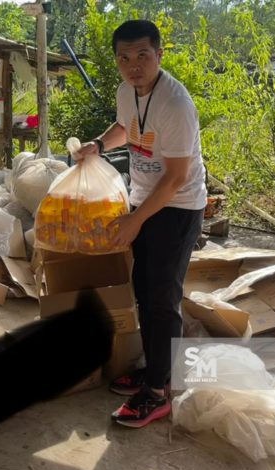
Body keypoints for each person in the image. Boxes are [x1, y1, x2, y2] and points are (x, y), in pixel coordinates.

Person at [74, 19, 207, 428]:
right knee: (144, 293)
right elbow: (123, 128)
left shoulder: (175, 104)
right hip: (143, 200)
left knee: (163, 299)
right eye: (124, 58)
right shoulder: (126, 91)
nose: (134, 66)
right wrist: (98, 145)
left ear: (159, 55)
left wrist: (135, 220)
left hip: (177, 206)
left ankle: (159, 391)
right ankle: (153, 368)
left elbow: (175, 178)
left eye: (142, 56)